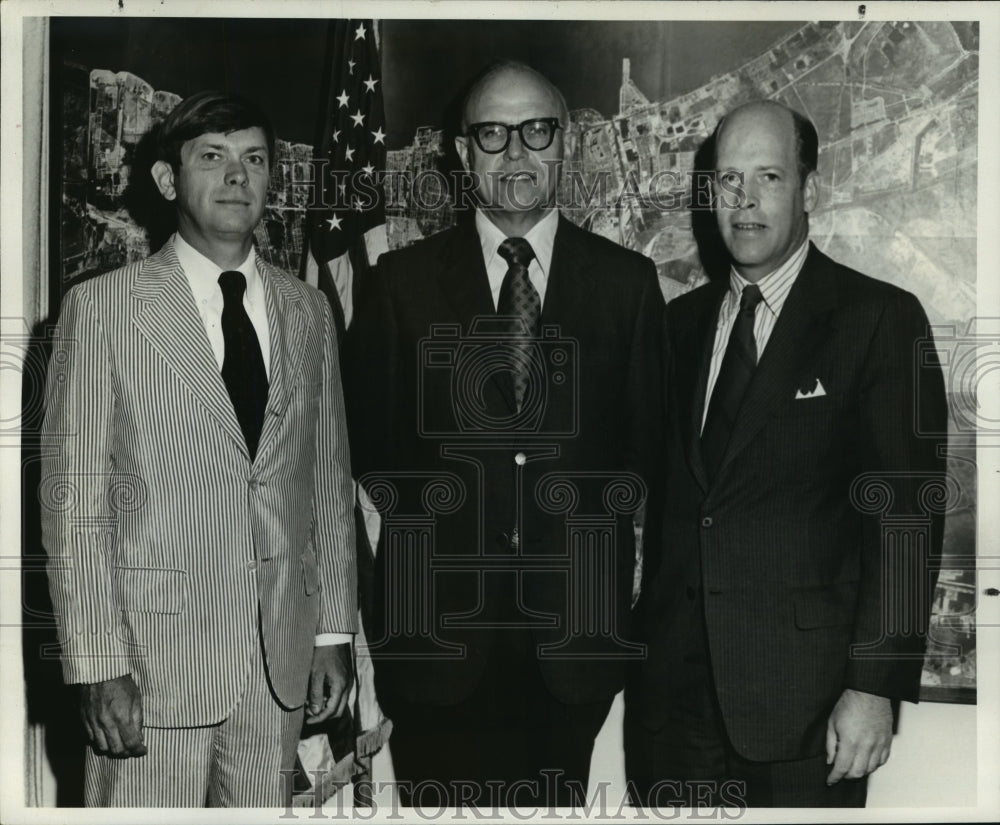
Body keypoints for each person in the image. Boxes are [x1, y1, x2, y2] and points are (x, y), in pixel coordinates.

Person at [344, 61, 663, 807]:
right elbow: (370, 457)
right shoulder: (401, 285)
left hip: (573, 653)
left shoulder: (626, 287)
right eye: (491, 133)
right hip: (434, 651)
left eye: (536, 131)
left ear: (566, 146)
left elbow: (643, 460)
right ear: (462, 153)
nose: (514, 152)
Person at [625, 100, 947, 807]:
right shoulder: (678, 327)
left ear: (810, 188)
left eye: (768, 176)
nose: (744, 200)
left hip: (807, 711)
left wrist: (873, 685)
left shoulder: (879, 321)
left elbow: (906, 519)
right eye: (728, 179)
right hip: (674, 710)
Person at [40, 90, 358, 807]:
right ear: (166, 181)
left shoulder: (306, 312)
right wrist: (96, 663)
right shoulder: (103, 309)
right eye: (212, 158)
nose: (237, 176)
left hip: (279, 660)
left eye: (253, 159)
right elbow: (74, 502)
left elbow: (329, 484)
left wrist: (333, 628)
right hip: (149, 666)